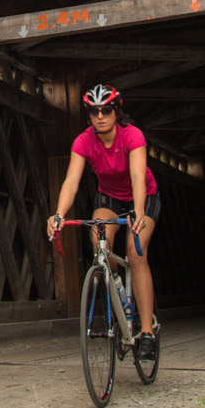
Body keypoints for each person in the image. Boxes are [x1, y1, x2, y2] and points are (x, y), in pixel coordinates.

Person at [46, 83, 160, 361]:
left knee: (136, 254)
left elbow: (136, 177)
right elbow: (71, 181)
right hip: (108, 197)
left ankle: (146, 332)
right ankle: (116, 283)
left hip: (142, 196)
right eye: (94, 111)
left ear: (116, 111)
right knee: (99, 242)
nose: (100, 116)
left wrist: (139, 212)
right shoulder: (83, 141)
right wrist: (58, 214)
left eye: (106, 110)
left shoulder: (131, 136)